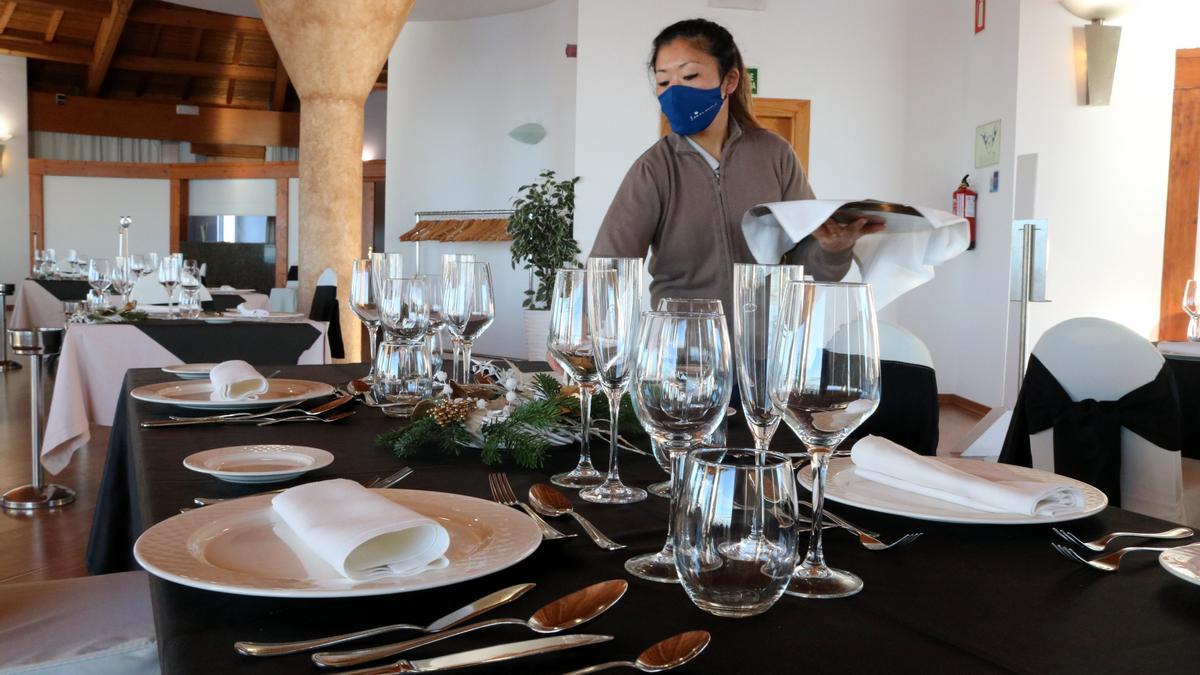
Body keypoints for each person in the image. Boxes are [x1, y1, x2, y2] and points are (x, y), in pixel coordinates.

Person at [591, 18, 885, 311]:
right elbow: (607, 270)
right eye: (664, 81)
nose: (674, 92)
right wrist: (583, 331)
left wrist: (833, 249)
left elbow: (806, 269)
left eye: (690, 76)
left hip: (768, 347)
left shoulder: (775, 154)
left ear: (729, 80)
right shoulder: (654, 169)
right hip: (682, 349)